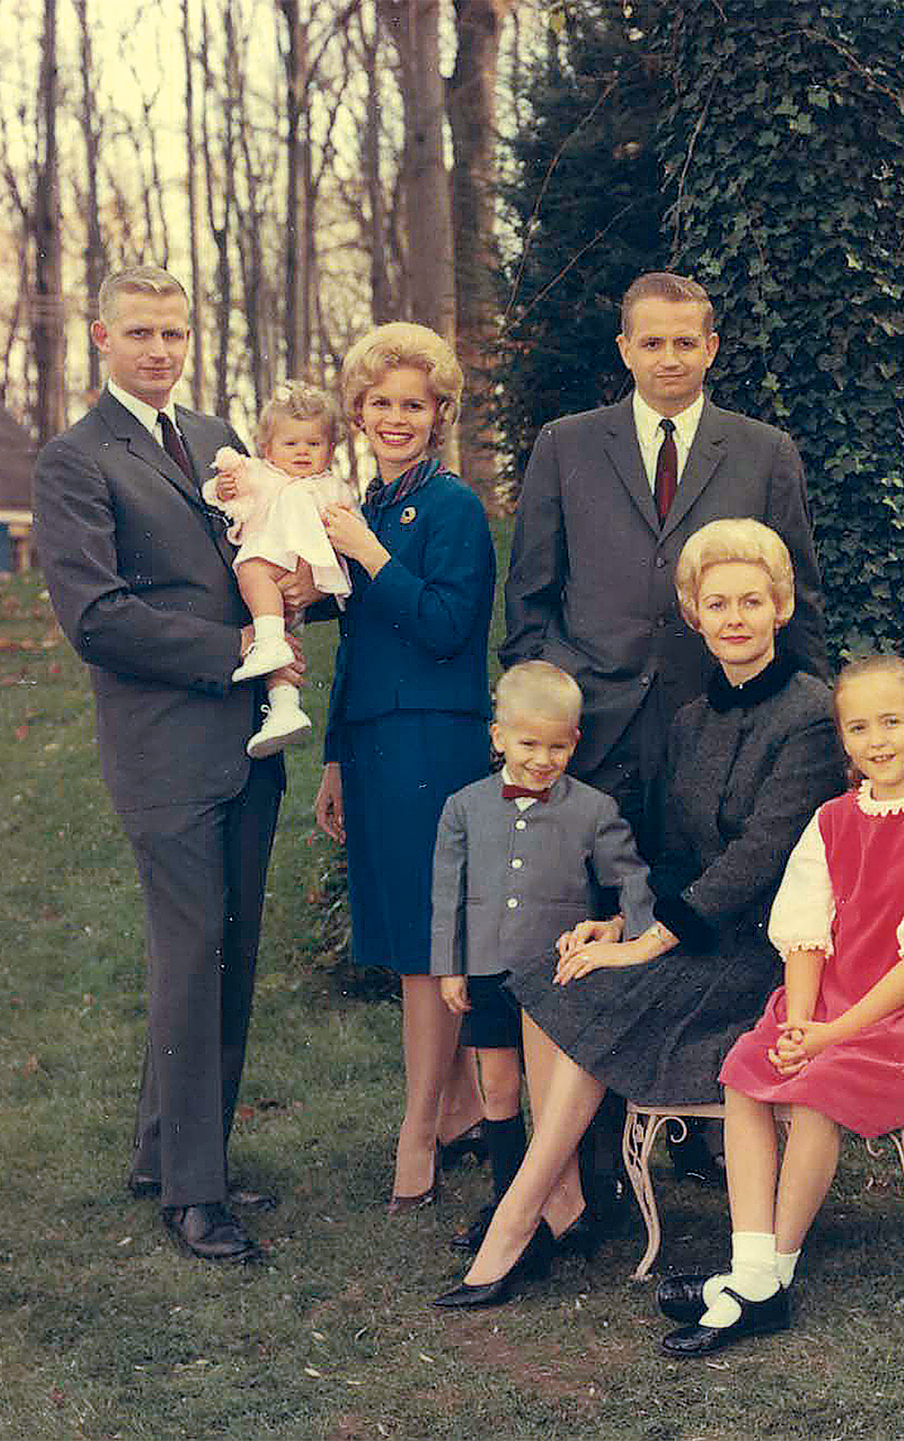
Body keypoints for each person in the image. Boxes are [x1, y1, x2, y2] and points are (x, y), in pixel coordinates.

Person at [432, 518, 845, 1309]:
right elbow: (670, 853)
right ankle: (562, 1204)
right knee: (556, 971)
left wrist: (649, 943)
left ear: (781, 607)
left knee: (601, 990)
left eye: (751, 600)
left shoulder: (811, 714)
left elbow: (759, 857)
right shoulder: (691, 719)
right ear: (692, 612)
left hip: (769, 952)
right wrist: (619, 924)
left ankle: (516, 1221)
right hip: (694, 934)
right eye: (716, 602)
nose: (734, 618)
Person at [501, 269, 831, 1194]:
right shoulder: (568, 446)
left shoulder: (762, 451)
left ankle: (699, 1134)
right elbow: (527, 604)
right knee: (577, 937)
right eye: (652, 342)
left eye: (687, 341)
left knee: (693, 927)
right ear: (625, 350)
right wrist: (556, 717)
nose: (670, 357)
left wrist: (797, 724)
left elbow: (799, 607)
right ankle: (580, 1179)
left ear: (712, 346)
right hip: (594, 742)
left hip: (715, 738)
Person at [32, 265, 298, 1260]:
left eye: (175, 333)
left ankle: (171, 1153)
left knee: (230, 953)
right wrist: (232, 651)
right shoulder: (73, 460)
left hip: (251, 740)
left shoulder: (220, 436)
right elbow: (96, 619)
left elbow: (256, 551)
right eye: (140, 332)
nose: (159, 350)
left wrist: (288, 605)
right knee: (192, 958)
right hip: (163, 747)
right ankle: (196, 1195)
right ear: (100, 335)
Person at [655, 655, 904, 1356]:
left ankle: (766, 1281)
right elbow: (806, 935)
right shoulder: (831, 819)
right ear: (843, 739)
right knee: (746, 1072)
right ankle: (754, 1274)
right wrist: (801, 1022)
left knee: (815, 1090)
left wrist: (830, 1034)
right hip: (830, 1003)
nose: (878, 740)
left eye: (893, 722)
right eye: (859, 726)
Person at [310, 322, 495, 1213]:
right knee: (402, 938)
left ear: (439, 413)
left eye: (413, 404)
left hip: (435, 739)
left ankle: (417, 1125)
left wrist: (372, 555)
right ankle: (456, 1106)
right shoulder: (363, 505)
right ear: (357, 412)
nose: (395, 417)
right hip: (374, 745)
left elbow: (446, 626)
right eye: (380, 403)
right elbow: (353, 644)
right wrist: (335, 758)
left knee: (432, 946)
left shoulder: (452, 507)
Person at [431, 661, 655, 1254]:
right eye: (528, 743)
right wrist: (449, 966)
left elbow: (630, 881)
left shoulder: (594, 810)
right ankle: (509, 1199)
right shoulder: (464, 807)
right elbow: (447, 893)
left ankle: (563, 1206)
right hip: (484, 967)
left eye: (557, 746)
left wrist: (633, 937)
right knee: (498, 1086)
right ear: (498, 735)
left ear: (575, 742)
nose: (541, 758)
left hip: (554, 981)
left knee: (551, 1098)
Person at [202, 380, 359, 757]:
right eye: (291, 444)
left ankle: (269, 643)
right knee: (269, 607)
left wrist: (325, 574)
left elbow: (354, 530)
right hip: (269, 568)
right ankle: (285, 712)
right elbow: (226, 493)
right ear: (268, 448)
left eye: (314, 444)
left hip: (305, 578)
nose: (302, 452)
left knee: (255, 578)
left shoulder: (333, 488)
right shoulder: (263, 474)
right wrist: (226, 486)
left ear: (331, 449)